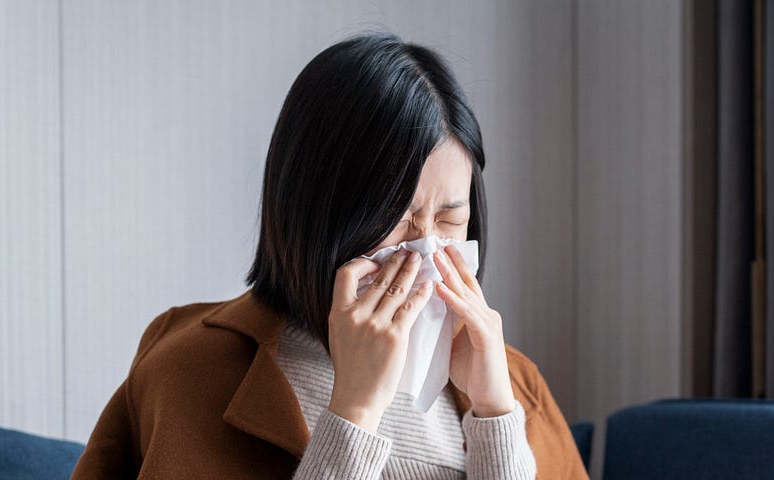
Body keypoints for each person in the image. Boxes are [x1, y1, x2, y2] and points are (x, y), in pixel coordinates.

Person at [70, 33, 587, 479]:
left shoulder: (514, 383)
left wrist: (496, 416)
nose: (426, 246)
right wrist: (355, 412)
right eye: (396, 218)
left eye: (450, 220)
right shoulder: (192, 371)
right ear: (319, 209)